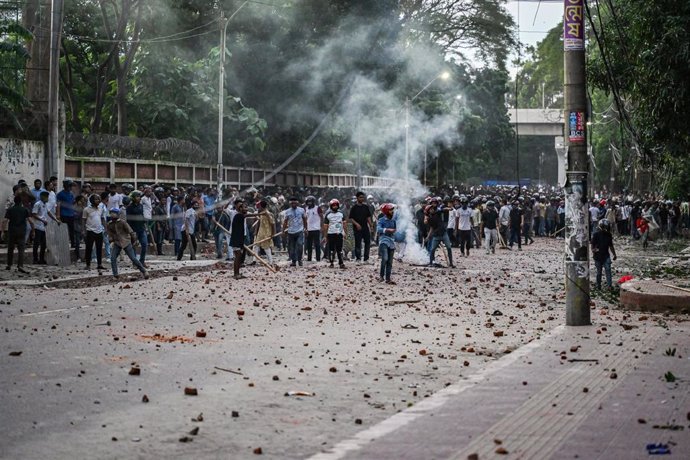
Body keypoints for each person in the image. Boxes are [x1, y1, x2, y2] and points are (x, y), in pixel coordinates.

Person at [106, 208, 148, 280]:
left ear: (118, 214)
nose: (112, 214)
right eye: (111, 213)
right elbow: (110, 234)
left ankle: (144, 271)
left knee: (133, 258)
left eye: (114, 213)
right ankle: (115, 275)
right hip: (117, 242)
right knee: (113, 258)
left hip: (126, 242)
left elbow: (131, 232)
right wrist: (110, 239)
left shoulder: (122, 222)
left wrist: (134, 241)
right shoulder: (109, 224)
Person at [5, 196, 34, 273]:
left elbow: (5, 221)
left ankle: (9, 264)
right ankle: (20, 265)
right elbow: (31, 221)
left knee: (10, 248)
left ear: (14, 201)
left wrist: (2, 232)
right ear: (21, 202)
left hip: (12, 231)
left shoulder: (10, 210)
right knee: (21, 249)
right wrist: (33, 231)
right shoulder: (25, 210)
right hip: (21, 231)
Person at [31, 191, 59, 264]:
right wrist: (42, 220)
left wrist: (56, 220)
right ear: (43, 197)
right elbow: (34, 214)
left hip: (44, 227)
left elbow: (49, 213)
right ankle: (35, 259)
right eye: (47, 197)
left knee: (44, 244)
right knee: (36, 244)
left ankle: (41, 259)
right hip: (38, 226)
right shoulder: (37, 204)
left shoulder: (46, 204)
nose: (48, 199)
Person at [591, 219, 617, 290]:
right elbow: (592, 246)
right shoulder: (596, 235)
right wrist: (594, 250)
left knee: (608, 270)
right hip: (598, 256)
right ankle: (598, 286)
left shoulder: (609, 235)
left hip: (605, 255)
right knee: (599, 272)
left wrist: (614, 254)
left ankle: (609, 286)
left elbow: (611, 246)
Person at [82, 193, 106, 270]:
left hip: (99, 230)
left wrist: (105, 228)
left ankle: (99, 264)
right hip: (90, 230)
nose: (98, 200)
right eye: (96, 199)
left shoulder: (100, 208)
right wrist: (84, 230)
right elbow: (83, 220)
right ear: (92, 200)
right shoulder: (86, 209)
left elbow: (102, 219)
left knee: (99, 248)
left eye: (99, 199)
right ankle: (88, 264)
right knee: (89, 248)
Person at [349, 191, 373, 264]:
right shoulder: (354, 208)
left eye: (363, 197)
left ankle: (366, 259)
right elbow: (351, 218)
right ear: (357, 198)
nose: (362, 199)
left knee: (367, 243)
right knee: (358, 243)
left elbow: (368, 217)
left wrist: (371, 226)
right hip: (357, 229)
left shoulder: (365, 207)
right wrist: (357, 224)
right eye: (360, 197)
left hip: (365, 228)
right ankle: (358, 258)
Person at [283, 197, 307, 267]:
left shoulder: (302, 210)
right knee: (292, 247)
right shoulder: (287, 211)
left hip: (299, 231)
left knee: (299, 245)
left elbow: (305, 219)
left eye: (295, 203)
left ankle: (299, 260)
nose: (293, 204)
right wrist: (283, 231)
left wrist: (306, 229)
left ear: (297, 203)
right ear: (290, 204)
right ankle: (293, 261)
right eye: (292, 203)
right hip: (290, 232)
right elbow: (285, 222)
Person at [127, 191, 149, 267]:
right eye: (137, 196)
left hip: (141, 229)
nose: (139, 198)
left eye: (139, 196)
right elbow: (128, 220)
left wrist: (145, 224)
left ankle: (142, 261)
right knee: (134, 247)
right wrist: (131, 232)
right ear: (133, 198)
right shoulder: (129, 207)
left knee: (144, 244)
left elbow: (142, 216)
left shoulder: (141, 206)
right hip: (134, 230)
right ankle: (135, 263)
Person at [323, 199, 347, 269]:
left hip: (339, 233)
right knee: (331, 249)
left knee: (340, 249)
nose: (335, 207)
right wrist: (325, 236)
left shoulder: (341, 214)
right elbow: (325, 226)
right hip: (331, 234)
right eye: (333, 205)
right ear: (331, 206)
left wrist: (345, 232)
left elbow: (344, 223)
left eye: (336, 205)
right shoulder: (328, 214)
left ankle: (341, 263)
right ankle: (331, 262)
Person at [377, 203, 396, 283]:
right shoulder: (381, 220)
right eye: (391, 210)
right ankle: (381, 276)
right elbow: (378, 229)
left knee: (390, 262)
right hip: (383, 240)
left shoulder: (393, 221)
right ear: (387, 211)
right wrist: (387, 230)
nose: (392, 211)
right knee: (385, 258)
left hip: (391, 241)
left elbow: (394, 230)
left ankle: (388, 278)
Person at [254, 200, 276, 267]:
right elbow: (259, 222)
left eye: (259, 206)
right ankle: (254, 260)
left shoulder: (268, 214)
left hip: (267, 233)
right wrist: (256, 231)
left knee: (266, 248)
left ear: (261, 206)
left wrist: (273, 233)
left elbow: (272, 223)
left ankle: (270, 262)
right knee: (256, 246)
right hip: (260, 233)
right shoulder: (261, 213)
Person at [230, 200, 247, 279]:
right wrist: (260, 214)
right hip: (236, 239)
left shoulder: (240, 215)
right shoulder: (238, 215)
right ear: (240, 209)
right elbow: (249, 215)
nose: (246, 209)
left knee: (238, 256)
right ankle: (236, 274)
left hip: (238, 239)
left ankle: (237, 273)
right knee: (238, 256)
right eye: (244, 208)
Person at [56, 180, 76, 248]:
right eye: (70, 186)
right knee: (63, 230)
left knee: (72, 230)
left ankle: (73, 243)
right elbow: (58, 204)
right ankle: (62, 243)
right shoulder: (60, 194)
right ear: (66, 186)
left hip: (71, 214)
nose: (71, 187)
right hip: (63, 214)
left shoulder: (71, 194)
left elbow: (73, 203)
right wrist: (58, 215)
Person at [304, 195, 323, 262]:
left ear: (313, 202)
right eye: (308, 202)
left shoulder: (317, 208)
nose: (309, 203)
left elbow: (321, 217)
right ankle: (309, 258)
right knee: (309, 245)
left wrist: (321, 226)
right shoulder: (306, 209)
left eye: (310, 202)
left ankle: (318, 258)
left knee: (317, 244)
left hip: (316, 229)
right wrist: (305, 228)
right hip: (309, 229)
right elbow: (305, 219)